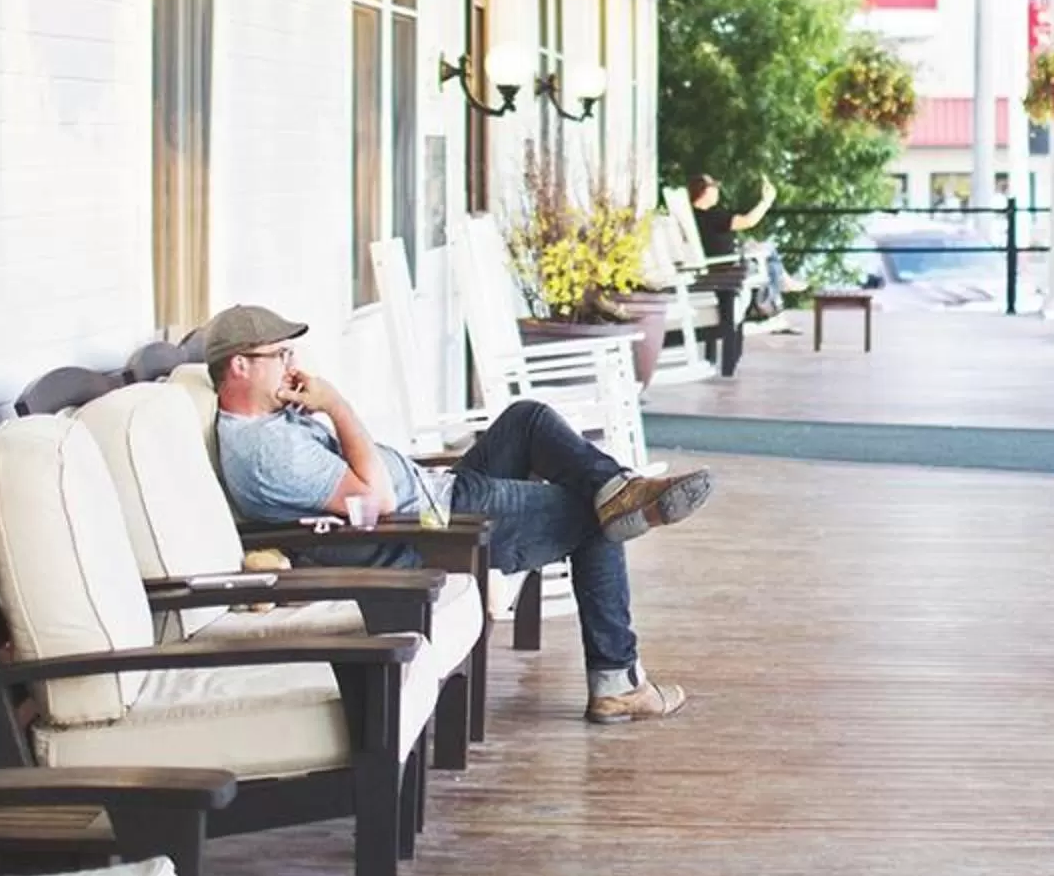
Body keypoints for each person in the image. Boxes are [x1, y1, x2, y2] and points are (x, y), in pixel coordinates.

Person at [199, 302, 714, 724]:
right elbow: (374, 501)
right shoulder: (268, 451)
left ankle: (618, 487)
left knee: (527, 419)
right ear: (239, 366)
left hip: (434, 496)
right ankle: (617, 680)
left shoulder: (273, 422)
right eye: (278, 354)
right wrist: (336, 405)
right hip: (428, 527)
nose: (292, 365)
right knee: (591, 515)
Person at [686, 175, 775, 378]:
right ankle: (771, 302)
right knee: (767, 259)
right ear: (704, 191)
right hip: (721, 278)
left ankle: (774, 294)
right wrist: (766, 201)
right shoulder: (712, 216)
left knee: (767, 259)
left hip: (709, 276)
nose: (717, 191)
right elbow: (748, 221)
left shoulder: (691, 217)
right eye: (714, 188)